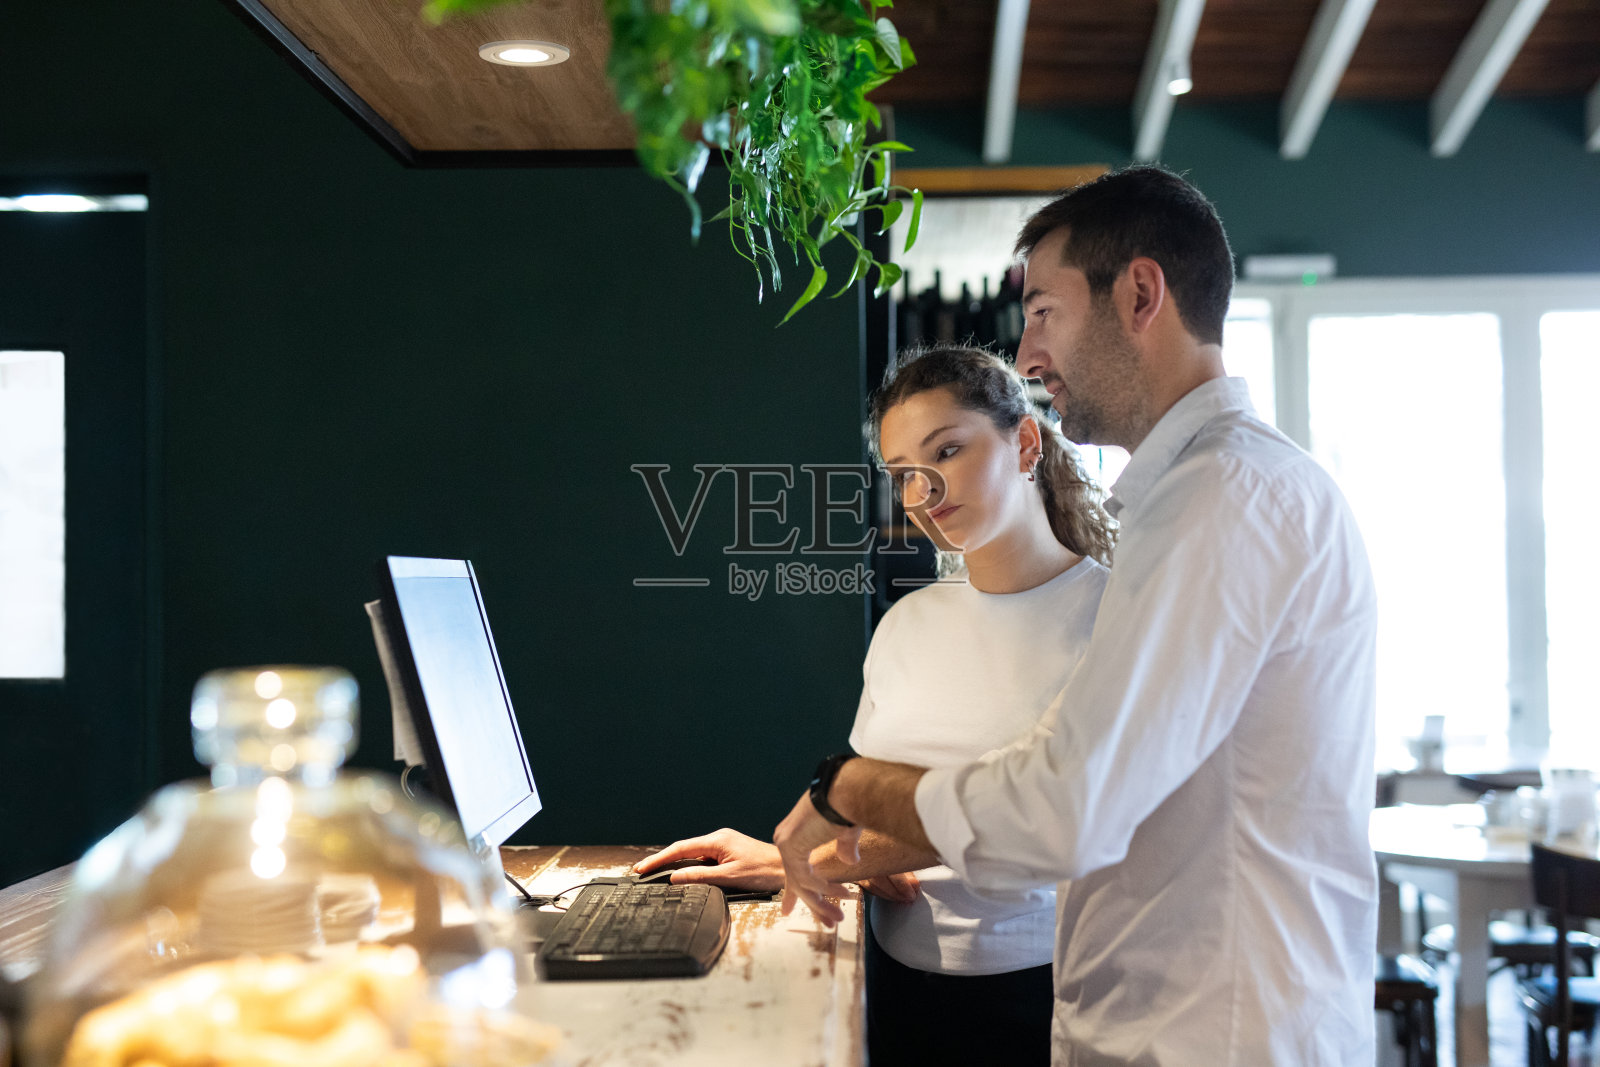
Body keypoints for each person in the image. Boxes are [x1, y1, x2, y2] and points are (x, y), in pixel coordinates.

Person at [773, 166, 1379, 1066]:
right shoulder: (1201, 499)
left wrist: (846, 787)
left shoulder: (1221, 499)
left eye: (1045, 311)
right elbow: (1054, 773)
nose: (1026, 358)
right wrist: (818, 849)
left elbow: (1063, 806)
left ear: (1139, 293)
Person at [635, 345, 1115, 1066]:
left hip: (1048, 995)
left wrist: (822, 857)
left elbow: (1028, 810)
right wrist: (795, 860)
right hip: (892, 983)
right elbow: (872, 816)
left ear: (1024, 442)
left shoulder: (1118, 615)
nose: (923, 491)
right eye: (901, 476)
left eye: (946, 450)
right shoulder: (907, 624)